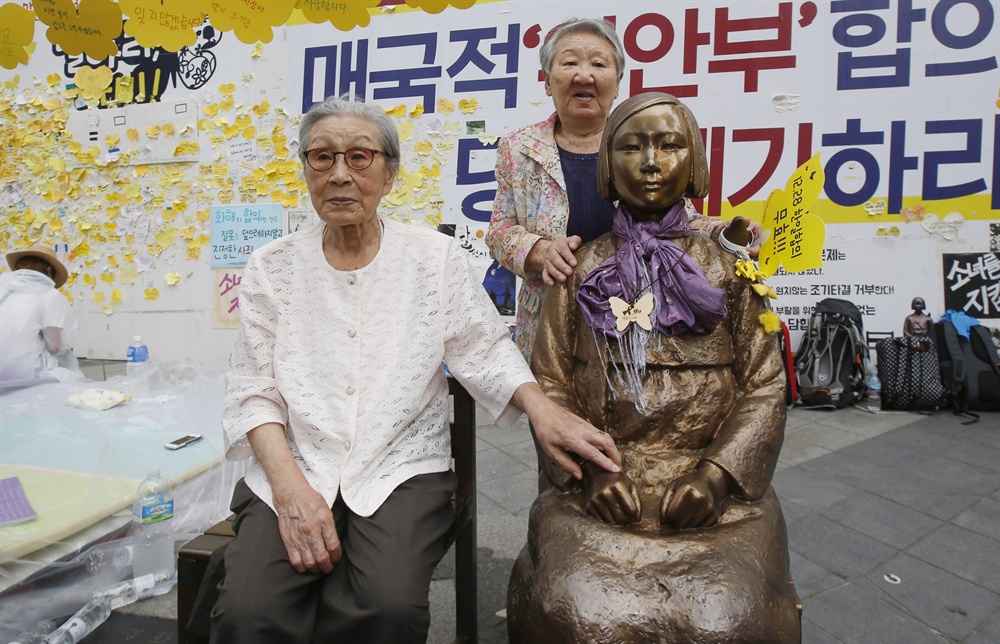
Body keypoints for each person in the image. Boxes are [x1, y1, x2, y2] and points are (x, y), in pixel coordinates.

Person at [211, 95, 622, 644]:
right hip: (298, 463)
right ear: (305, 168)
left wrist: (543, 411)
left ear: (390, 174)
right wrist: (290, 494)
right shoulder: (272, 266)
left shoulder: (433, 258)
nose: (338, 175)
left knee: (385, 609)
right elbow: (254, 391)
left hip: (399, 464)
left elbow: (484, 348)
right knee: (247, 613)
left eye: (359, 158)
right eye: (321, 157)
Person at [507, 93, 800, 642]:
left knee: (727, 616)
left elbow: (764, 387)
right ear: (607, 166)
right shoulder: (576, 271)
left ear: (694, 162)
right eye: (631, 146)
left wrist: (716, 477)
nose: (650, 161)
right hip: (598, 486)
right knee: (578, 610)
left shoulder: (733, 270)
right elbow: (550, 385)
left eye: (669, 145)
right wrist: (591, 470)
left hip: (714, 491)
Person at [487, 17, 759, 361]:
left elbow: (681, 220)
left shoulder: (638, 144)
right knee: (553, 409)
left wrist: (725, 234)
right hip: (551, 318)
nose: (584, 75)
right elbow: (500, 231)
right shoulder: (519, 148)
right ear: (546, 81)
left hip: (637, 314)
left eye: (599, 64)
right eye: (570, 62)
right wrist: (540, 251)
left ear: (617, 83)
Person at [0, 244, 82, 383]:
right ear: (49, 269)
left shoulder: (4, 289)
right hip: (26, 373)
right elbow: (54, 347)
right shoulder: (50, 295)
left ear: (17, 268)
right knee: (71, 377)